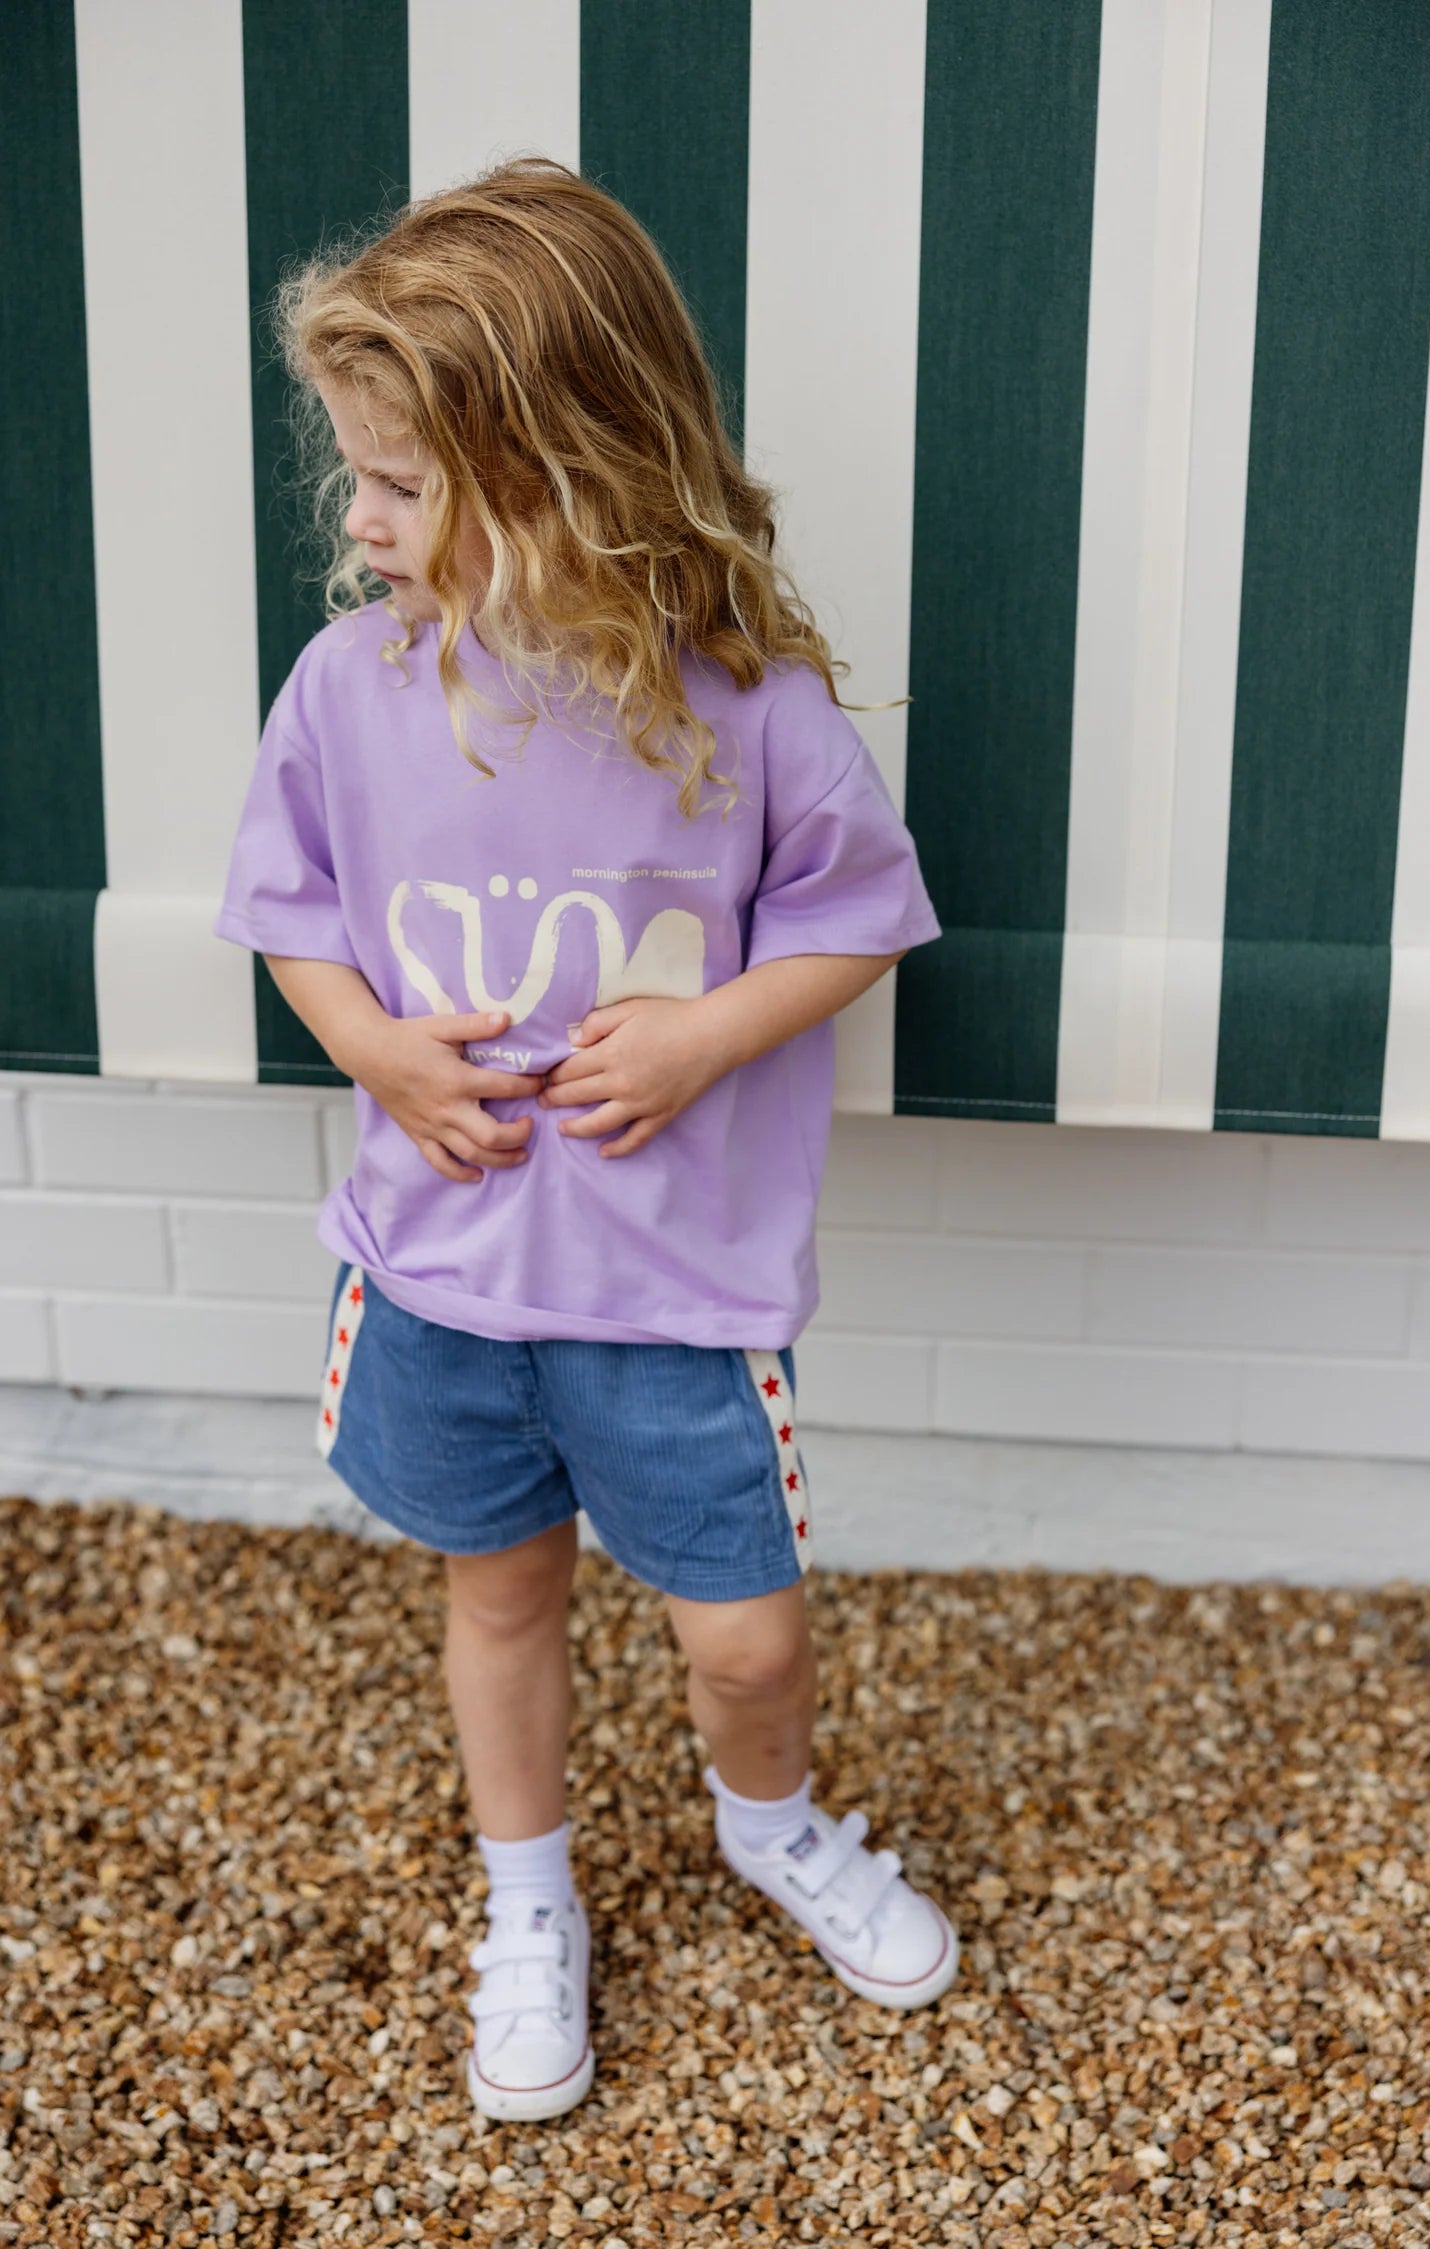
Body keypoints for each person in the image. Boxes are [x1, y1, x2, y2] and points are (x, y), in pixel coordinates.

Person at [213, 155, 957, 2124]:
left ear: (558, 471)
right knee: (500, 1593)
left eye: (395, 481)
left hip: (674, 1295)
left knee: (744, 1628)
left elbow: (859, 913)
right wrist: (384, 1056)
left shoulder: (745, 705)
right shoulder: (351, 695)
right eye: (355, 472)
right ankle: (528, 1899)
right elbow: (287, 922)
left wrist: (712, 1031)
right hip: (446, 1276)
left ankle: (770, 1822)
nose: (352, 520)